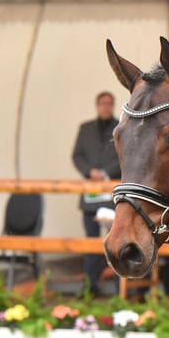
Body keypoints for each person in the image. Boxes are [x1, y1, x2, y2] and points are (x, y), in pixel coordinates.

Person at [71, 91, 121, 295]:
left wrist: (107, 173)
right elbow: (77, 155)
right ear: (97, 105)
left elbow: (124, 155)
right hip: (90, 194)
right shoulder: (85, 129)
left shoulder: (120, 127)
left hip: (112, 195)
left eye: (109, 104)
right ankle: (89, 286)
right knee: (90, 240)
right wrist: (89, 171)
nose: (106, 107)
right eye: (102, 103)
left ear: (113, 106)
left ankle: (120, 287)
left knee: (116, 240)